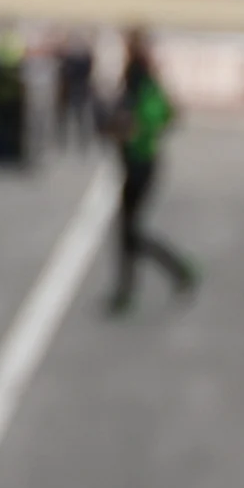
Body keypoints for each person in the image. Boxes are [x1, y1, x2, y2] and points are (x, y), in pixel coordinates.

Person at [105, 25, 198, 315]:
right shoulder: (149, 76)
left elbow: (138, 117)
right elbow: (172, 113)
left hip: (139, 160)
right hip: (144, 158)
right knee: (128, 230)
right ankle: (130, 290)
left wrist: (134, 132)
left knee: (129, 231)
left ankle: (172, 271)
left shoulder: (138, 76)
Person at [51, 30, 96, 153]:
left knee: (78, 118)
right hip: (71, 92)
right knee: (68, 119)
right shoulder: (70, 59)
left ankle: (79, 142)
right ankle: (64, 141)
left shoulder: (78, 60)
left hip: (77, 91)